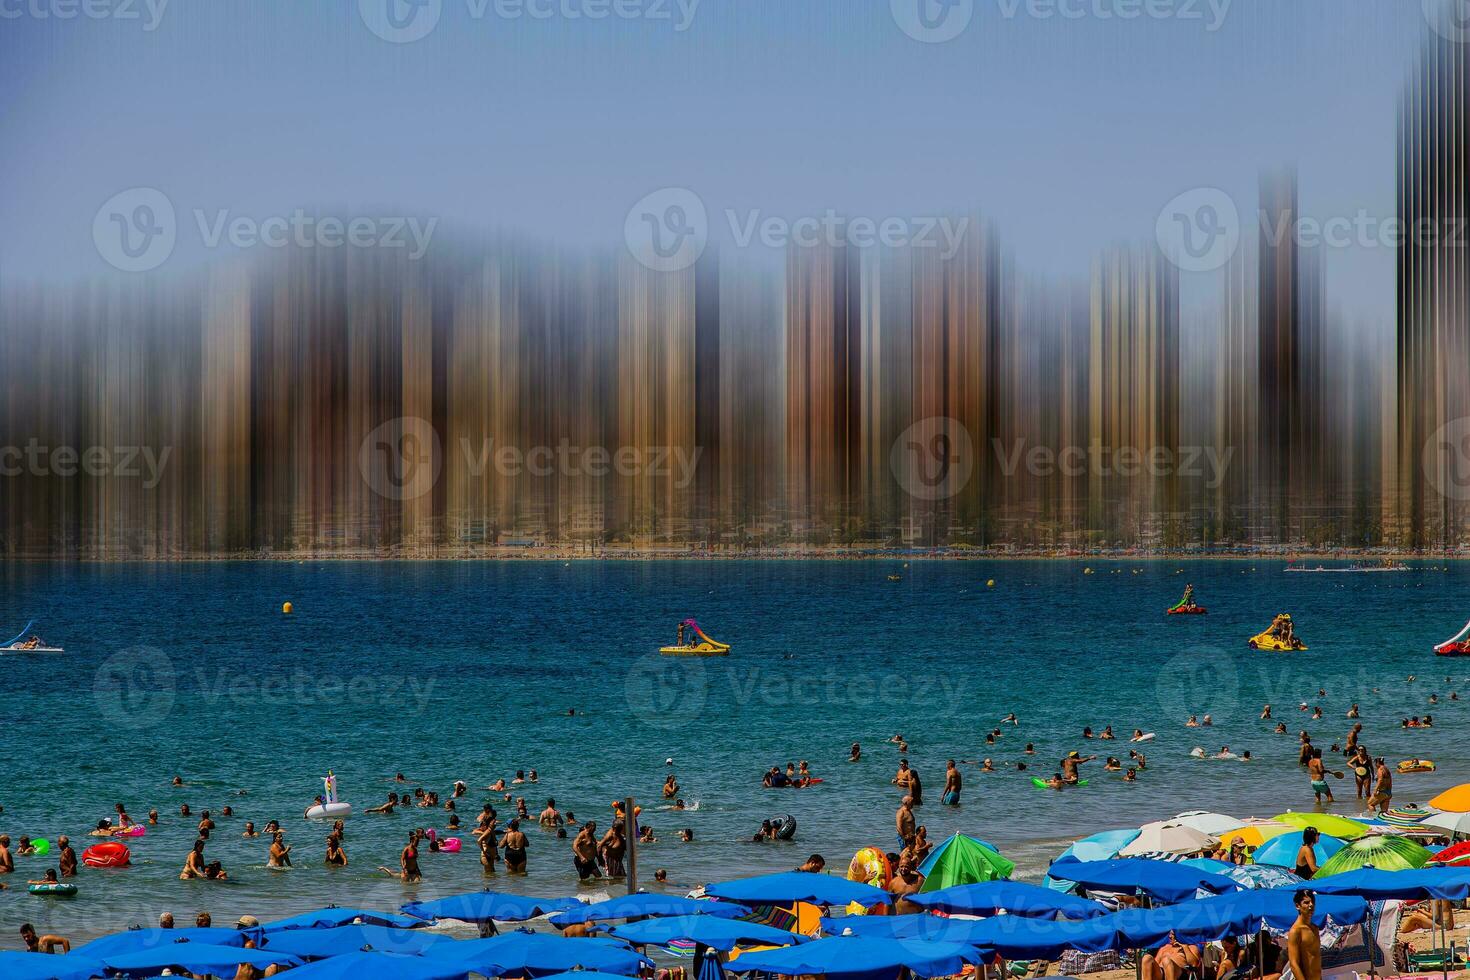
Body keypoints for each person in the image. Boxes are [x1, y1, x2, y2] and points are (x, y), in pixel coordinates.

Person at [1286, 891, 1322, 980]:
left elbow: (1315, 958)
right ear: (1297, 906)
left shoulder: (1315, 928)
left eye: (1313, 902)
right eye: (1306, 902)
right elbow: (1293, 964)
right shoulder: (1295, 931)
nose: (1311, 905)